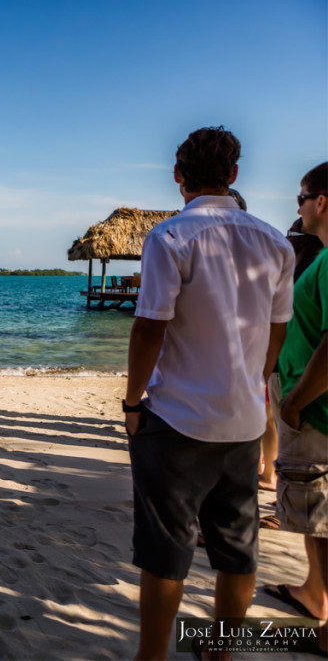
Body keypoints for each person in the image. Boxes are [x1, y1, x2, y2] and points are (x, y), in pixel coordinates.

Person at [123, 127, 294, 660]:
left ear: (177, 175)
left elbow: (150, 327)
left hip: (177, 416)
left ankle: (152, 656)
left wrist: (132, 403)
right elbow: (278, 329)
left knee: (166, 551)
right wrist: (256, 381)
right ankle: (221, 650)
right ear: (235, 175)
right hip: (243, 420)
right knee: (237, 548)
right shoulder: (275, 242)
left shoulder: (170, 237)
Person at [261, 162, 327, 650]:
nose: (298, 206)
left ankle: (326, 629)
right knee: (312, 513)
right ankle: (313, 593)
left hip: (315, 411)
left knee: (319, 511)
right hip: (311, 407)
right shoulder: (323, 258)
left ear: (321, 201)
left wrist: (295, 401)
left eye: (301, 197)